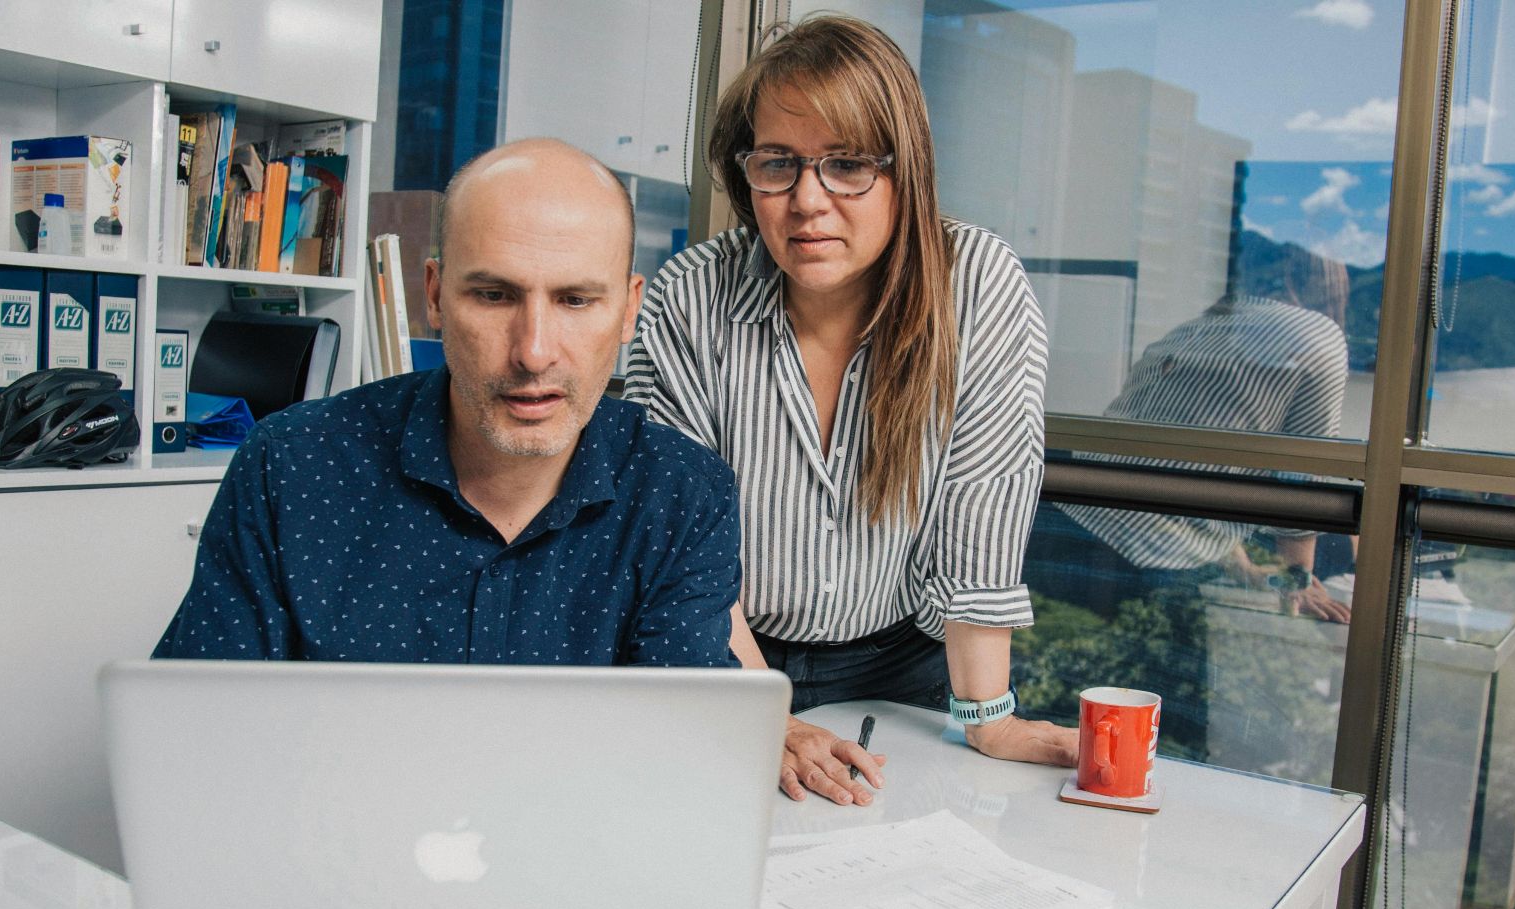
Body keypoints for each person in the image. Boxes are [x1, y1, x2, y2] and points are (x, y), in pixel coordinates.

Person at [624, 14, 1073, 809]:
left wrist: (987, 717)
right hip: (720, 651)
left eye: (847, 165)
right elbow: (681, 538)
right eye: (779, 164)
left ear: (907, 170)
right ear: (746, 171)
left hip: (899, 663)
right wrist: (762, 711)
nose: (808, 201)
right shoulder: (690, 296)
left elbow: (983, 509)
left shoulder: (977, 284)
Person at [155, 139, 740, 667]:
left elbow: (677, 747)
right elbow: (201, 733)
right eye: (493, 295)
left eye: (576, 300)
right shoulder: (289, 467)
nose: (534, 353)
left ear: (629, 309)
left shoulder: (684, 495)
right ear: (434, 296)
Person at [1023, 242, 1355, 755]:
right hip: (1148, 561)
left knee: (1047, 718)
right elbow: (1305, 473)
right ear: (1327, 290)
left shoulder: (1206, 325)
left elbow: (1187, 469)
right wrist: (1296, 578)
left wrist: (1244, 567)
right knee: (1173, 739)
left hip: (1059, 528)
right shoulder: (1318, 337)